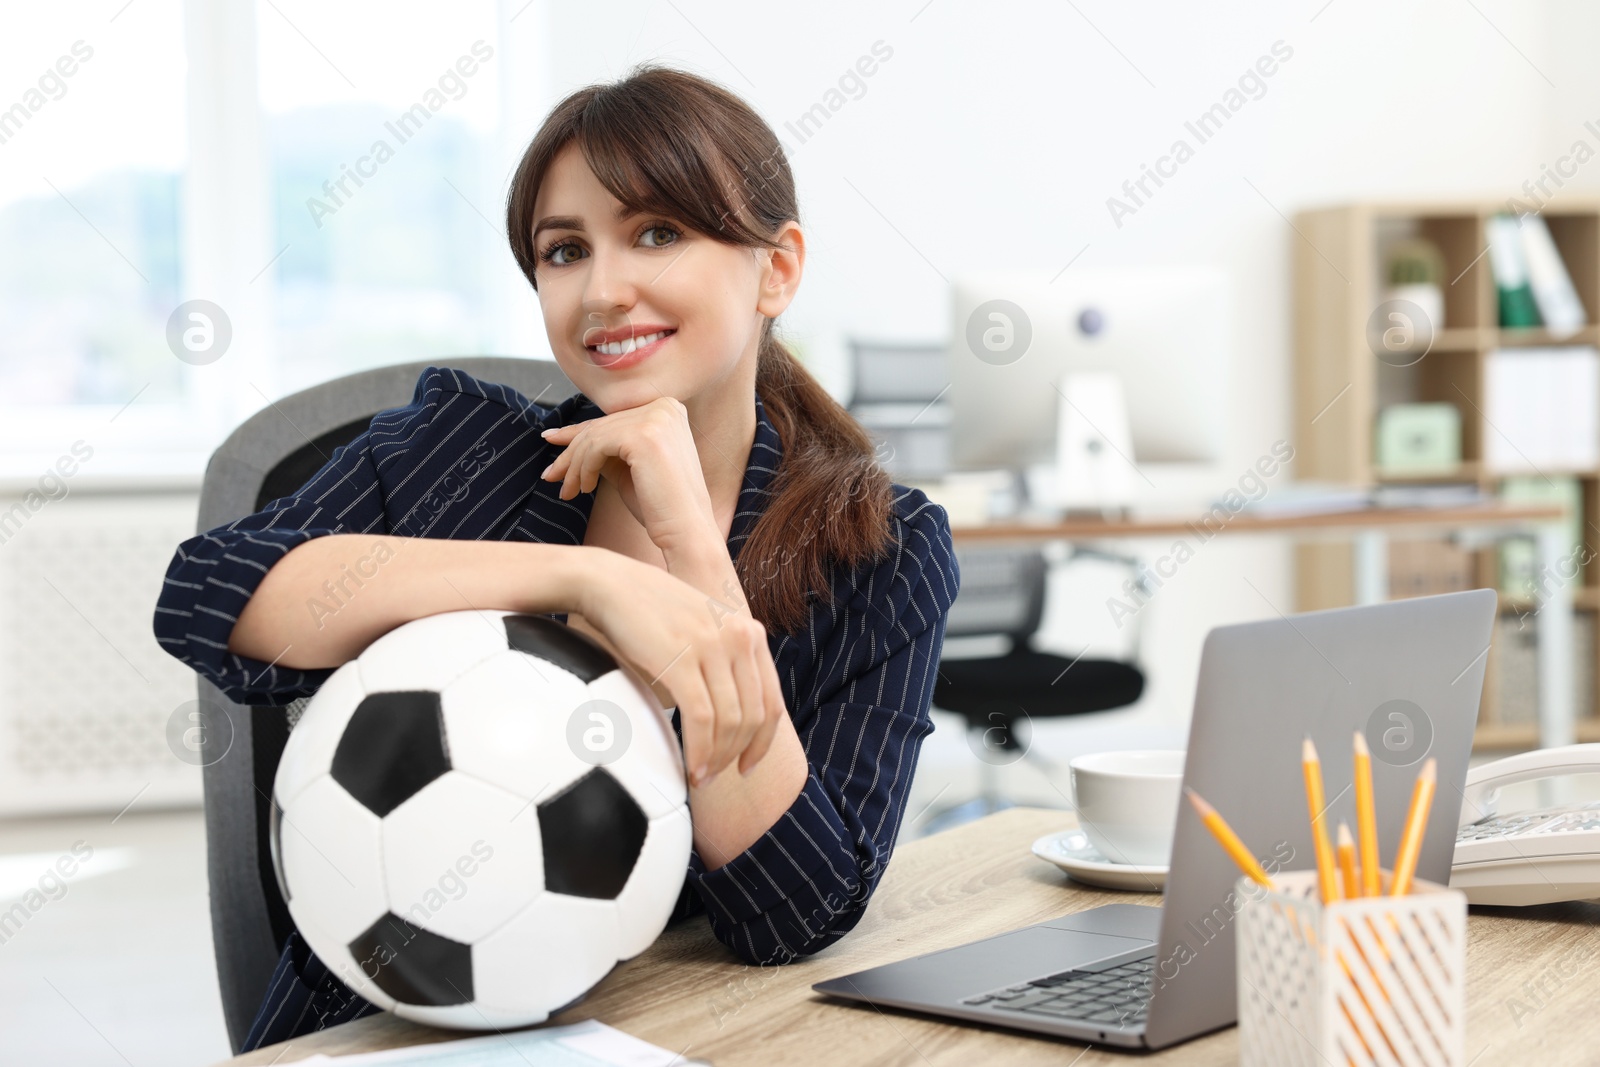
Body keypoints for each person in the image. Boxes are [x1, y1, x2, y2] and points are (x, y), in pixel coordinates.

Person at [153, 64, 959, 1048]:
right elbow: (205, 596)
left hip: (667, 1029)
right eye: (564, 249)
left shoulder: (880, 545)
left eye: (657, 232)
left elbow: (792, 914)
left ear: (776, 268)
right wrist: (585, 577)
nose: (603, 290)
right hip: (396, 1028)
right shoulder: (462, 449)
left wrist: (691, 546)